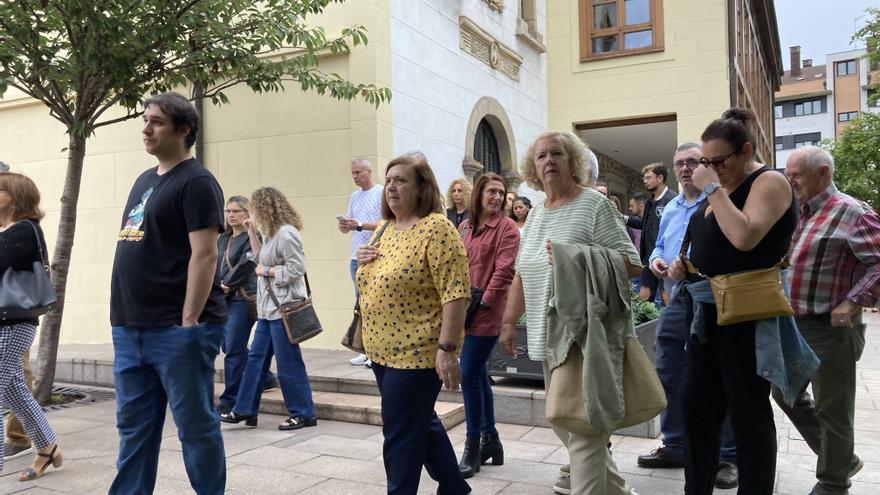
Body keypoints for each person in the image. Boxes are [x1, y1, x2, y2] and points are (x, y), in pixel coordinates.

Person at [666, 108, 816, 495]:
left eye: (718, 161)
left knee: (748, 414)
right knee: (696, 408)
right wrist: (686, 265)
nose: (710, 169)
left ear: (745, 150)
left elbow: (745, 238)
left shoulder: (769, 182)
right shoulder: (721, 190)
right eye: (705, 161)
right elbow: (712, 242)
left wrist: (712, 189)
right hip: (707, 311)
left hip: (748, 311)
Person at [499, 131, 641, 495]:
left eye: (557, 153)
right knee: (565, 423)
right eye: (542, 155)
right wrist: (509, 323)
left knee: (580, 426)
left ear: (572, 161)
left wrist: (575, 258)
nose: (548, 160)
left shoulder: (594, 205)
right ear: (533, 166)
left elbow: (632, 263)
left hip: (582, 333)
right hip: (545, 333)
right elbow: (521, 272)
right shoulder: (534, 216)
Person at [110, 92, 227, 494]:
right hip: (131, 326)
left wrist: (189, 321)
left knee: (195, 428)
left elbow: (206, 254)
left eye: (156, 122)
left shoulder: (197, 181)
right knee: (133, 430)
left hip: (176, 331)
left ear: (184, 130)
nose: (146, 128)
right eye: (145, 120)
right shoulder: (145, 180)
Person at [356, 153, 471, 495]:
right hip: (381, 351)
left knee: (400, 435)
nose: (391, 186)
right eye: (388, 180)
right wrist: (365, 262)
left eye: (400, 180)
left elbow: (456, 292)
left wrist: (447, 350)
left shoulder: (436, 228)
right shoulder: (385, 228)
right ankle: (454, 488)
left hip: (417, 353)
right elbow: (375, 279)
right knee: (420, 422)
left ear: (422, 187)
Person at [773, 145, 879, 495]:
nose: (791, 181)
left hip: (830, 329)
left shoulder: (852, 212)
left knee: (834, 409)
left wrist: (852, 302)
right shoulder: (799, 213)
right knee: (784, 393)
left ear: (824, 173)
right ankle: (841, 458)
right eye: (788, 174)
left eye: (797, 174)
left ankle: (833, 483)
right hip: (795, 323)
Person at [636, 143, 738, 489]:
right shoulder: (671, 209)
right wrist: (656, 262)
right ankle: (676, 443)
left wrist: (688, 265)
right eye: (679, 163)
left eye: (691, 162)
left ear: (704, 165)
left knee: (718, 377)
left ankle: (727, 455)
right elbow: (659, 247)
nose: (684, 169)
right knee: (668, 372)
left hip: (711, 301)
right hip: (674, 303)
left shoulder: (718, 202)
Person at [220, 187, 317, 431]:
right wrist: (252, 232)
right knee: (255, 361)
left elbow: (296, 269)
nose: (251, 214)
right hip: (267, 309)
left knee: (288, 362)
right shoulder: (271, 233)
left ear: (266, 208)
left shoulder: (286, 234)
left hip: (283, 306)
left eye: (254, 209)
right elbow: (259, 256)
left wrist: (268, 271)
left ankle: (303, 413)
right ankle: (245, 410)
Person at [456, 172, 520, 478]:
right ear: (478, 194)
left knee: (468, 373)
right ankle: (491, 440)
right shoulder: (465, 226)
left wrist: (484, 301)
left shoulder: (507, 228)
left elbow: (505, 270)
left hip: (487, 310)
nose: (497, 197)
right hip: (463, 308)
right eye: (491, 192)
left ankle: (473, 445)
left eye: (501, 192)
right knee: (479, 374)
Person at [0, 172, 62, 481]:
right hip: (8, 323)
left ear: (14, 197)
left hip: (11, 323)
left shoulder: (22, 231)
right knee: (14, 393)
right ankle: (47, 447)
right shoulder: (7, 231)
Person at [216, 196, 279, 415]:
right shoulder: (222, 238)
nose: (231, 215)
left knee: (233, 349)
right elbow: (215, 263)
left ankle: (230, 399)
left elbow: (247, 263)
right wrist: (216, 285)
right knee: (230, 346)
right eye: (228, 211)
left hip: (241, 299)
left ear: (247, 214)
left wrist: (227, 284)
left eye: (236, 211)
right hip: (221, 298)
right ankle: (267, 377)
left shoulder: (252, 236)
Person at [338, 158, 383, 367]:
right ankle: (363, 348)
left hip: (374, 255)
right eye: (352, 173)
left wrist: (360, 225)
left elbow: (386, 224)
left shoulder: (381, 192)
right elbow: (351, 223)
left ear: (369, 171)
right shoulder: (354, 196)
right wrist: (346, 226)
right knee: (360, 304)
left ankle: (375, 350)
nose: (355, 176)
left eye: (358, 172)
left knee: (374, 303)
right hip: (356, 257)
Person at [626, 164, 675, 303]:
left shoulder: (672, 200)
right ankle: (649, 325)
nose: (645, 181)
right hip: (648, 259)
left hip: (666, 259)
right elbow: (644, 225)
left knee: (668, 299)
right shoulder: (649, 202)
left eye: (648, 177)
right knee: (644, 297)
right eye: (644, 178)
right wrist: (623, 218)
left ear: (660, 178)